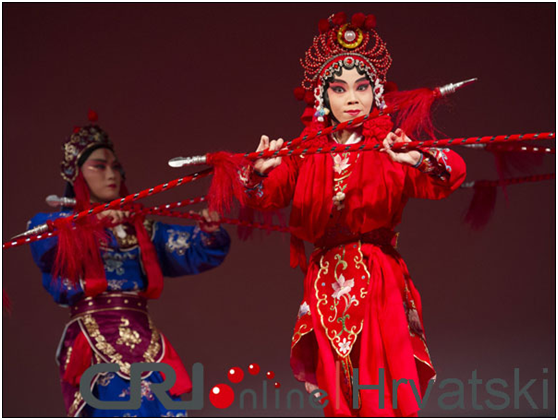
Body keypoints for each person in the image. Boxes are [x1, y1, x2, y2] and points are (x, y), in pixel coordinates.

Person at [240, 12, 466, 417]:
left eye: (362, 87)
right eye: (339, 89)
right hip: (325, 282)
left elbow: (449, 173)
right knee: (338, 392)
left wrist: (416, 157)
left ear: (375, 92)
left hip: (378, 279)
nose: (352, 99)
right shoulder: (304, 153)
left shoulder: (391, 147)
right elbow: (265, 196)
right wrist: (257, 173)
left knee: (381, 390)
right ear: (322, 97)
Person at [28, 114, 231, 417]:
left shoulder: (139, 227)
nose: (111, 174)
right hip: (94, 336)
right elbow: (43, 241)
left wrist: (208, 232)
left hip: (144, 336)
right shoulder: (62, 225)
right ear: (76, 175)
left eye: (115, 166)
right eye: (99, 166)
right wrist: (91, 222)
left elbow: (191, 249)